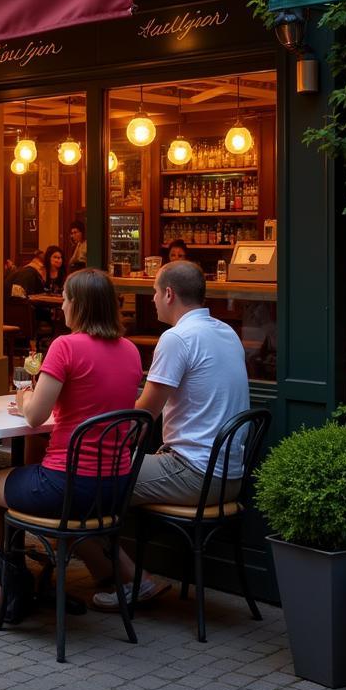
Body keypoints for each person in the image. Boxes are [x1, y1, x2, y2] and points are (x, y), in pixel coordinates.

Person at [0, 269, 143, 619]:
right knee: (33, 477)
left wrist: (25, 394)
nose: (61, 305)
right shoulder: (131, 351)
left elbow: (34, 416)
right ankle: (104, 576)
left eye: (64, 298)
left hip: (68, 486)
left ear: (78, 305)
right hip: (115, 487)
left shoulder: (65, 346)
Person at [90, 259, 251, 610]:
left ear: (169, 293)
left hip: (193, 474)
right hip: (231, 478)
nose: (151, 301)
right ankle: (118, 575)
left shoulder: (177, 338)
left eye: (153, 293)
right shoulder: (226, 332)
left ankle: (136, 581)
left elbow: (145, 412)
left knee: (86, 484)